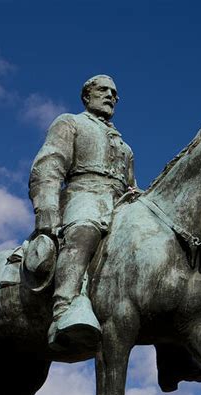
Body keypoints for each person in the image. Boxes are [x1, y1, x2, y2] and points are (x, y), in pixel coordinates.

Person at [29, 74, 137, 353]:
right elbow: (48, 166)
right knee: (84, 229)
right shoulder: (71, 123)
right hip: (83, 194)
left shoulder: (125, 147)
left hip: (120, 203)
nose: (111, 96)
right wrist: (47, 212)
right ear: (87, 96)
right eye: (104, 90)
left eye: (115, 93)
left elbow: (132, 185)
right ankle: (64, 308)